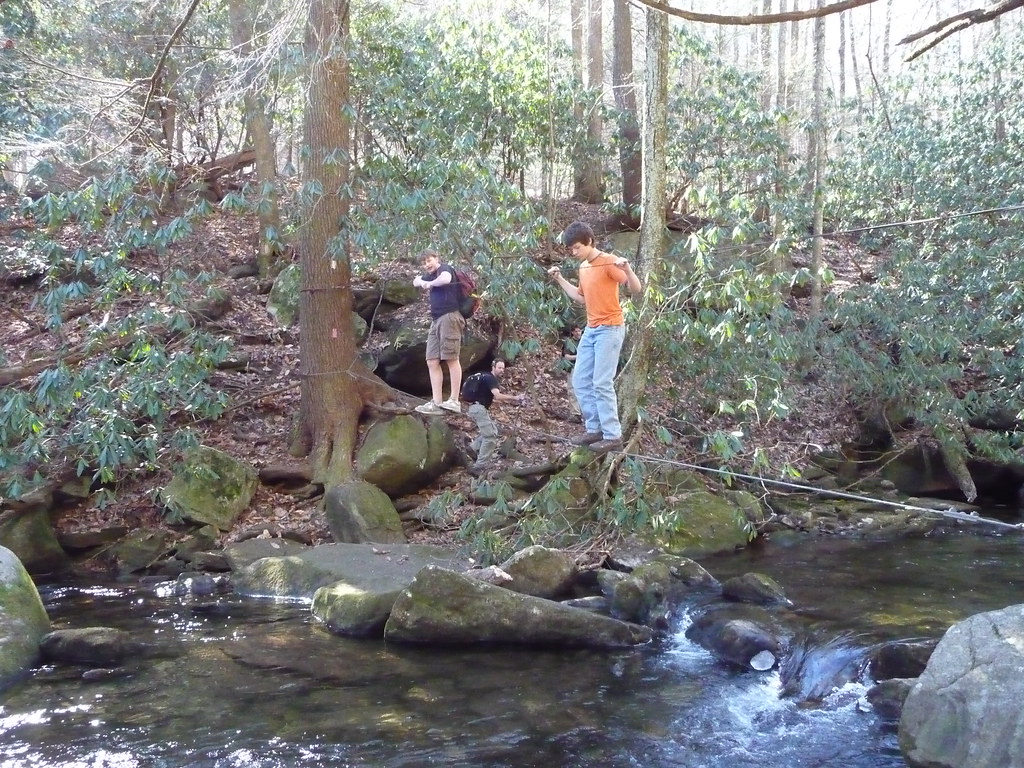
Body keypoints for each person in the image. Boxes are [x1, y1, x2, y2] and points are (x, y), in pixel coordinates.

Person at [547, 221, 642, 453]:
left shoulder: (609, 261)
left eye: (577, 247)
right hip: (591, 329)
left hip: (610, 328)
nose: (574, 252)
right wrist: (559, 279)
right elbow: (581, 298)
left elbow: (635, 288)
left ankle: (612, 435)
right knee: (580, 379)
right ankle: (595, 429)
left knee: (601, 382)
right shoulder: (583, 267)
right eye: (571, 249)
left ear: (589, 241)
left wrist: (628, 269)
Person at [412, 250, 465, 415]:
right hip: (436, 320)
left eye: (429, 260)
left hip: (449, 316)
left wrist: (429, 283)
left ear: (437, 258)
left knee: (451, 358)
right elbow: (415, 281)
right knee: (432, 360)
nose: (427, 264)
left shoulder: (444, 269)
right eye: (424, 263)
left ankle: (454, 401)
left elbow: (445, 279)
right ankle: (436, 403)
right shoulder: (430, 275)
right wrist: (421, 281)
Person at [461, 358, 524, 475]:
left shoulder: (484, 376)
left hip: (476, 408)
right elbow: (497, 396)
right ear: (493, 367)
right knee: (490, 437)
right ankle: (479, 466)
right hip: (479, 409)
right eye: (499, 368)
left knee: (493, 430)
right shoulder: (491, 378)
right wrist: (515, 398)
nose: (501, 370)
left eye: (503, 368)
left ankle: (473, 448)